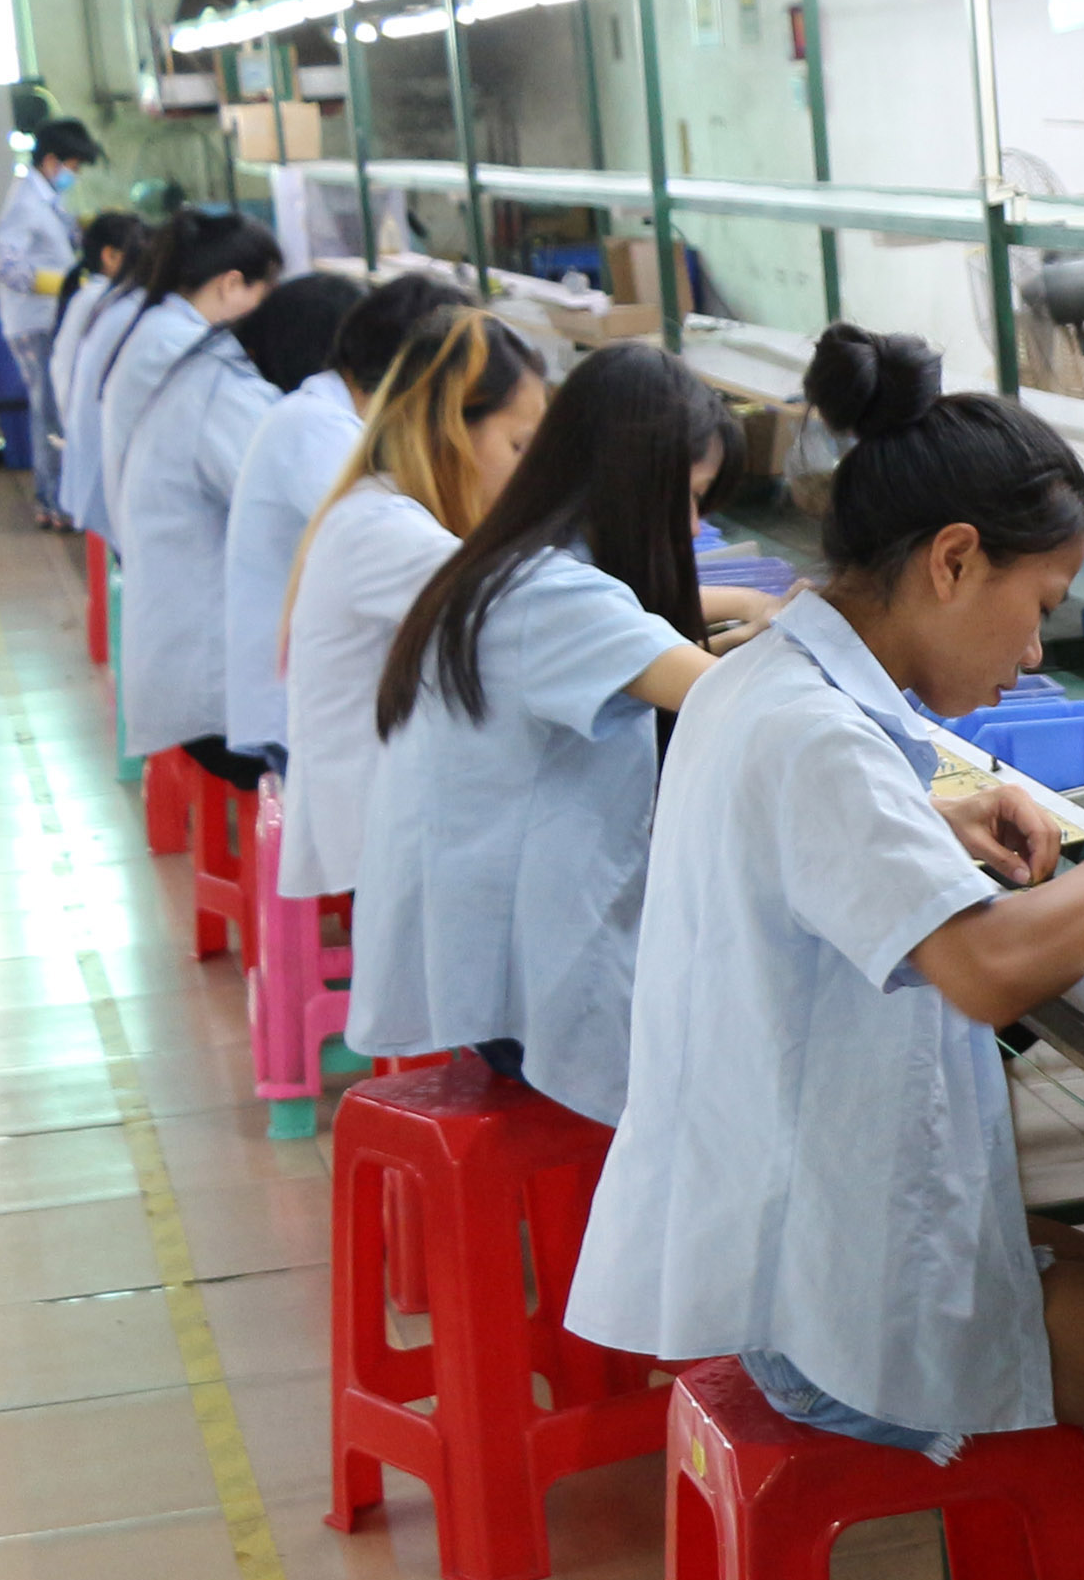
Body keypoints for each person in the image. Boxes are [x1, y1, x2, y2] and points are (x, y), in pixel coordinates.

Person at [566, 326, 1084, 1468]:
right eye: (1039, 601)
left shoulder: (760, 684)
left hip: (796, 1251)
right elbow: (986, 969)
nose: (1036, 649)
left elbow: (791, 858)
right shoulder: (816, 736)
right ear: (953, 560)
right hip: (838, 1312)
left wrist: (928, 824)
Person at [341, 342, 735, 1120]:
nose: (693, 527)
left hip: (498, 968)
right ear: (631, 481)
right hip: (527, 1000)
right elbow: (738, 705)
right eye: (687, 498)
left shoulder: (516, 564)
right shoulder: (553, 595)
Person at [276, 308, 545, 906]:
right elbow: (539, 606)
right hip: (380, 836)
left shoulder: (382, 504)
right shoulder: (384, 529)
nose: (527, 472)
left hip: (396, 814)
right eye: (518, 446)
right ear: (452, 430)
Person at [220, 272, 471, 769]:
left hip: (316, 689)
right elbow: (401, 538)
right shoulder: (314, 426)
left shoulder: (327, 416)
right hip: (299, 705)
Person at [117, 271, 358, 787]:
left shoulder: (219, 375)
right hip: (218, 708)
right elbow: (342, 520)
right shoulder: (240, 402)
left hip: (194, 670)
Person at [81, 208, 281, 552]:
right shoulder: (185, 349)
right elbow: (260, 484)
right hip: (177, 548)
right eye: (264, 295)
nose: (264, 311)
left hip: (151, 534)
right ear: (231, 284)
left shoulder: (163, 326)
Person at [0, 119, 102, 530]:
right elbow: (6, 265)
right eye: (74, 166)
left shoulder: (46, 197)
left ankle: (59, 497)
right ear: (52, 161)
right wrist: (62, 286)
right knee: (49, 411)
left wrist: (88, 227)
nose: (75, 175)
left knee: (55, 407)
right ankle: (52, 501)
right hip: (34, 322)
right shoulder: (25, 201)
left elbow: (58, 238)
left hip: (51, 319)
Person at [44, 209, 149, 533]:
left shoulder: (98, 297)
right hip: (98, 439)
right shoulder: (105, 300)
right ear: (111, 256)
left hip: (90, 434)